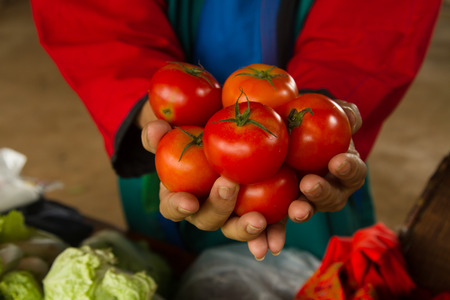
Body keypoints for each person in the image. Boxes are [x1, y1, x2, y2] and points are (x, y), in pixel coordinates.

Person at [30, 0, 441, 260]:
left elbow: (375, 17)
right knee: (167, 252)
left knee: (319, 241)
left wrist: (324, 106)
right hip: (173, 129)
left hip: (297, 156)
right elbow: (86, 12)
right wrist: (147, 106)